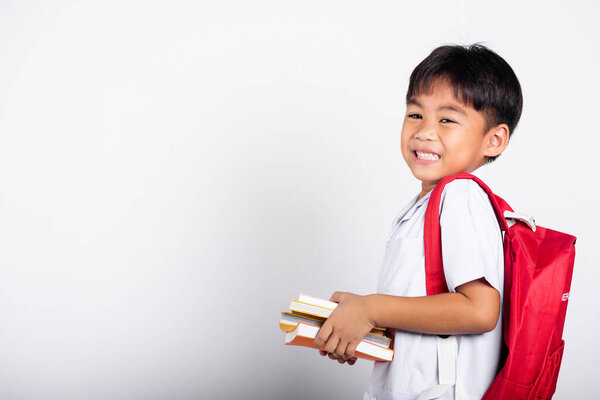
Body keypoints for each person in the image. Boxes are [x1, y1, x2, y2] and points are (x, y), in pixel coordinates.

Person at [313, 43, 523, 400]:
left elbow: (480, 309)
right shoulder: (426, 204)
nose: (425, 131)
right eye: (415, 114)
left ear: (494, 139)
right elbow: (427, 312)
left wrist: (372, 307)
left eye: (447, 119)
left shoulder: (459, 196)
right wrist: (364, 325)